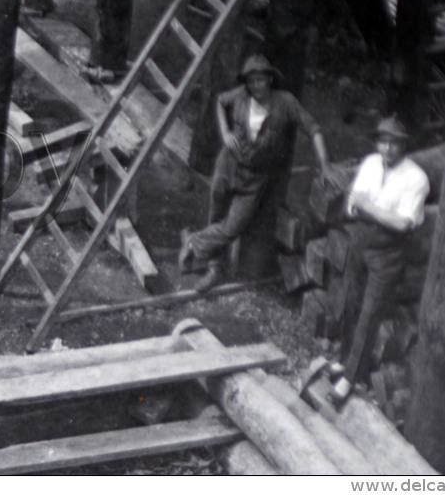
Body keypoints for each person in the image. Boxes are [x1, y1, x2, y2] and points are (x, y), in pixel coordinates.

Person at [179, 54, 337, 291]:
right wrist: (225, 132)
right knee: (217, 215)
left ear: (270, 80)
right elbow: (221, 101)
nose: (255, 86)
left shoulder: (285, 103)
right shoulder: (241, 95)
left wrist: (324, 165)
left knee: (233, 227)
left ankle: (193, 241)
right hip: (228, 165)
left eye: (260, 80)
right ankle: (214, 270)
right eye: (251, 81)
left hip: (255, 178)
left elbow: (314, 129)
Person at [330, 116, 429, 404]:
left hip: (388, 252)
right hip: (360, 241)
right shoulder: (371, 162)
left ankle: (351, 378)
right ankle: (344, 359)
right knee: (351, 302)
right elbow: (352, 201)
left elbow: (401, 224)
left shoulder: (416, 178)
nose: (387, 148)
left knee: (370, 312)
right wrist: (365, 209)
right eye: (383, 141)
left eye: (394, 143)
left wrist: (367, 207)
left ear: (404, 145)